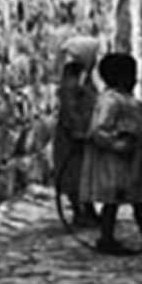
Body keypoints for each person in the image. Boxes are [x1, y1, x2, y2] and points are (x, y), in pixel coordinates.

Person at [80, 51, 142, 254]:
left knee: (139, 201)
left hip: (131, 162)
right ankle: (107, 238)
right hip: (115, 164)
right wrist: (119, 142)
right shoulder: (110, 101)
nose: (135, 79)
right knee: (114, 202)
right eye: (131, 75)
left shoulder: (126, 100)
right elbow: (98, 130)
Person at [53, 35, 99, 227]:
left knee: (85, 172)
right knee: (75, 173)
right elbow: (69, 106)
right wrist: (77, 129)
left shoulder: (84, 75)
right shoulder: (73, 78)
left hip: (84, 131)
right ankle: (79, 211)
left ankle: (88, 210)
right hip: (73, 134)